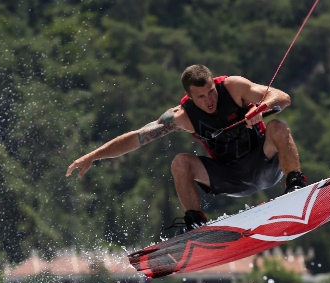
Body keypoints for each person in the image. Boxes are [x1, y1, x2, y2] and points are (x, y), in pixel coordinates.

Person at [66, 64, 307, 232]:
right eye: (201, 96)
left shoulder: (234, 88)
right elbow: (136, 138)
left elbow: (281, 96)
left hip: (264, 162)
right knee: (180, 162)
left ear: (215, 83)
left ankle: (295, 186)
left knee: (277, 125)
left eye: (211, 91)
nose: (209, 100)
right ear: (189, 97)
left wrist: (262, 107)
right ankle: (195, 222)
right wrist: (93, 156)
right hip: (229, 176)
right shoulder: (181, 116)